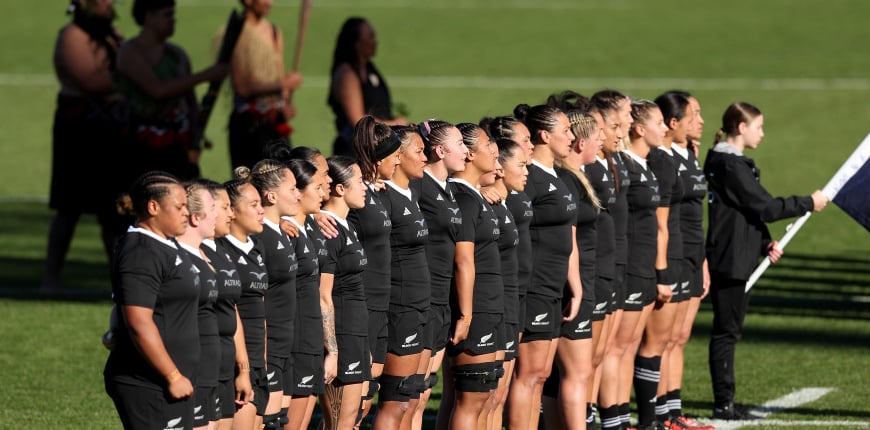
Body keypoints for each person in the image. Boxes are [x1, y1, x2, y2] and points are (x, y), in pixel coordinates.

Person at [704, 101, 827, 420]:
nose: (763, 133)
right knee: (726, 332)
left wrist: (763, 242)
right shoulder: (730, 165)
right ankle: (723, 403)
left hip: (738, 254)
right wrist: (808, 203)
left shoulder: (732, 163)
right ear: (741, 128)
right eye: (758, 126)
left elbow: (743, 213)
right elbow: (766, 208)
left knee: (731, 331)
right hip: (729, 259)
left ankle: (727, 400)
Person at [103, 171, 198, 430]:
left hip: (172, 380)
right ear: (153, 206)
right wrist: (172, 375)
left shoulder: (165, 244)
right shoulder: (141, 252)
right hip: (149, 382)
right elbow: (138, 320)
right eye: (179, 207)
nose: (185, 214)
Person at [43, 0, 126, 294]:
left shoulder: (111, 35)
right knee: (68, 207)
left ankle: (119, 281)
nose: (107, 4)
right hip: (77, 131)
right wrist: (134, 77)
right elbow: (92, 80)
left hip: (111, 128)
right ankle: (51, 279)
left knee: (113, 212)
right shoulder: (72, 36)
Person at [508, 104, 581, 430]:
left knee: (542, 374)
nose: (571, 137)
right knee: (529, 373)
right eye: (565, 130)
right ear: (544, 135)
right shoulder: (530, 178)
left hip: (554, 287)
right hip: (534, 285)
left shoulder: (556, 175)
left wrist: (573, 285)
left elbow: (567, 234)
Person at [115, 0, 227, 183]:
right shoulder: (130, 52)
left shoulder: (178, 55)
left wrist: (194, 143)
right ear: (148, 16)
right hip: (139, 146)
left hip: (176, 146)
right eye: (167, 15)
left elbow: (191, 103)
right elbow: (157, 90)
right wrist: (207, 75)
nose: (173, 20)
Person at [661, 90, 713, 429]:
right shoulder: (664, 160)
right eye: (694, 114)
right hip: (674, 256)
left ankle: (674, 411)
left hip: (694, 255)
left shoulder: (690, 155)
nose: (701, 120)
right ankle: (662, 413)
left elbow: (696, 215)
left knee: (679, 338)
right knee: (664, 339)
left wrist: (704, 261)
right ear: (673, 122)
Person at [447, 123, 503, 430]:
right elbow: (463, 260)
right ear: (469, 154)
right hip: (476, 309)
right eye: (486, 145)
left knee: (486, 396)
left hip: (489, 307)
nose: (493, 148)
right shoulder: (464, 199)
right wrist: (467, 316)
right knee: (472, 398)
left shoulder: (476, 196)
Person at [378, 124, 432, 430]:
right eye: (419, 151)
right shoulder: (384, 198)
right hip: (399, 308)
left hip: (418, 307)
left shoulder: (411, 192)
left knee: (410, 399)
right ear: (398, 156)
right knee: (396, 400)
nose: (425, 158)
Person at [318, 156, 372, 430]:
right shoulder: (328, 231)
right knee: (339, 423)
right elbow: (323, 295)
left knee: (352, 420)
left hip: (356, 333)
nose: (366, 187)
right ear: (340, 189)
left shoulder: (346, 225)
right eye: (360, 181)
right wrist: (333, 351)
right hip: (342, 335)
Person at [197, 179, 254, 430]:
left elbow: (231, 311)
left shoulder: (222, 251)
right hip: (203, 367)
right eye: (225, 207)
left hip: (226, 366)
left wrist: (243, 369)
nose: (231, 213)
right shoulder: (192, 251)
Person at [250, 159, 302, 430]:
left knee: (280, 423)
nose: (298, 194)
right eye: (293, 188)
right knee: (268, 424)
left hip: (286, 345)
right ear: (271, 196)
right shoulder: (259, 238)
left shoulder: (280, 230)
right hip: (268, 347)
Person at [215, 168, 268, 430]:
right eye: (254, 204)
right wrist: (243, 369)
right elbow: (231, 310)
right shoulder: (221, 252)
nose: (261, 210)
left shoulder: (257, 247)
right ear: (232, 211)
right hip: (238, 364)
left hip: (260, 361)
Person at [228, 0, 302, 170]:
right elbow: (242, 88)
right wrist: (284, 83)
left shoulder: (274, 32)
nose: (271, 2)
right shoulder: (238, 32)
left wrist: (286, 104)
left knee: (283, 179)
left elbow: (279, 73)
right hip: (249, 126)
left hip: (275, 123)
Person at [283, 159, 326, 430]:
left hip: (311, 335)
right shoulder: (285, 233)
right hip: (295, 337)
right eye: (319, 187)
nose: (324, 193)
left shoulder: (308, 226)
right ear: (298, 191)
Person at [174, 180, 220, 430]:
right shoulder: (176, 259)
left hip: (210, 369)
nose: (220, 214)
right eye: (213, 207)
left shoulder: (203, 255)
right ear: (195, 217)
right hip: (189, 370)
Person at [327, 17, 407, 156]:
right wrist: (393, 124)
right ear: (357, 43)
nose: (375, 41)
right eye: (370, 37)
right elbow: (357, 120)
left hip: (376, 145)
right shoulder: (346, 74)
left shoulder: (369, 68)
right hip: (356, 150)